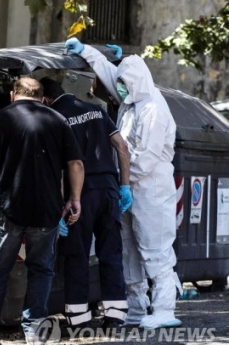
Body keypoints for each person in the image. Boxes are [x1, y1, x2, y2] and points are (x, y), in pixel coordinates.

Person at [64, 37, 183, 329]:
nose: (118, 89)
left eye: (124, 84)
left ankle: (165, 308)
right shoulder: (132, 101)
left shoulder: (153, 108)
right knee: (128, 249)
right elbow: (111, 74)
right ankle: (137, 308)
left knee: (155, 250)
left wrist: (124, 180)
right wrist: (90, 52)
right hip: (128, 188)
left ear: (136, 82)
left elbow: (147, 157)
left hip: (151, 189)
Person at [0, 76, 85, 345]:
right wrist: (74, 198)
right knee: (42, 270)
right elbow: (75, 164)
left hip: (7, 207)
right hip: (46, 210)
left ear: (13, 95)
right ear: (42, 98)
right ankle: (33, 329)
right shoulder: (57, 120)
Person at [40, 77, 132, 329]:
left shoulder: (54, 118)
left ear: (45, 99)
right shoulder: (96, 110)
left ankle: (79, 319)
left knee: (77, 254)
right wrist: (124, 185)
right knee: (111, 252)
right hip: (110, 190)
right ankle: (116, 315)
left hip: (79, 194)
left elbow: (62, 167)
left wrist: (61, 204)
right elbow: (122, 147)